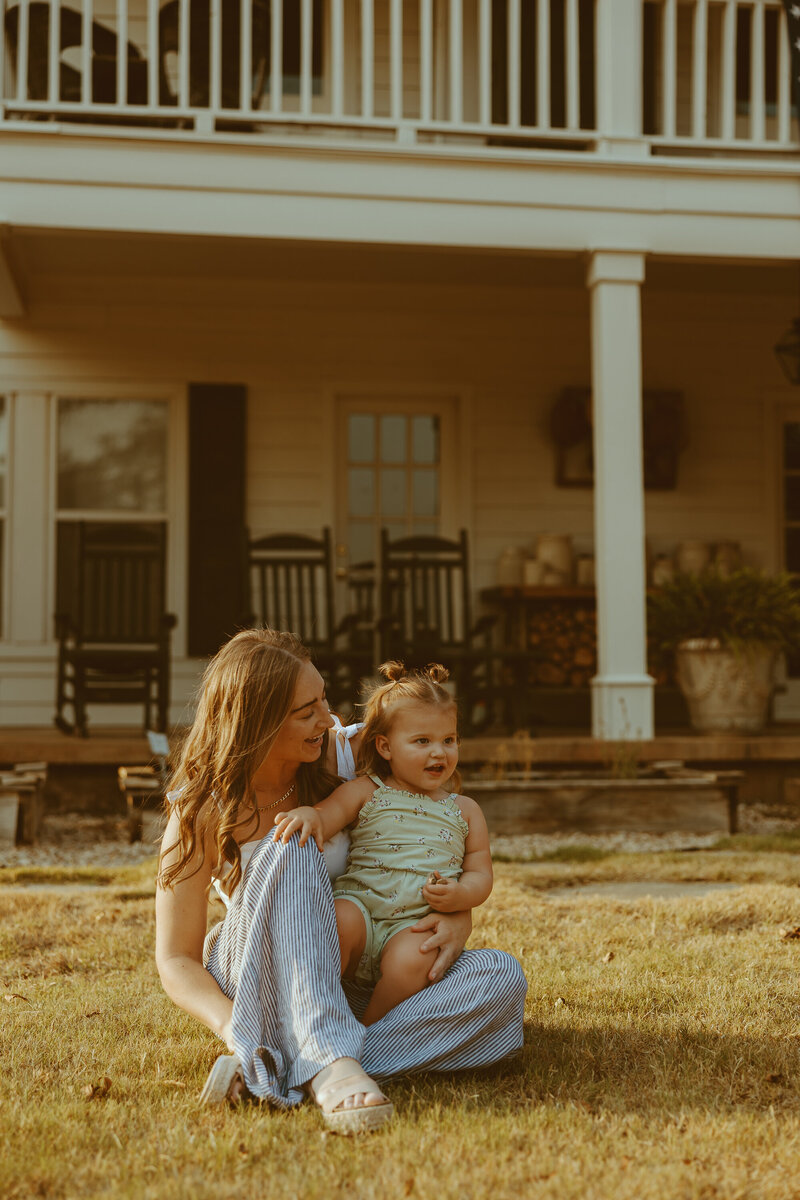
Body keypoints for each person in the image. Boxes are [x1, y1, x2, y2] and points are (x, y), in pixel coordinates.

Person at [155, 628, 526, 1135]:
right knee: (295, 848)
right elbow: (176, 959)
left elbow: (428, 840)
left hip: (357, 981)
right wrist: (235, 1031)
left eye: (323, 697)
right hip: (260, 970)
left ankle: (290, 1061)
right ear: (257, 721)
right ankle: (314, 1057)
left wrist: (457, 915)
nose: (326, 718)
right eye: (306, 711)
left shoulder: (354, 756)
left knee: (501, 977)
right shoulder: (200, 808)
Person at [274, 661, 493, 1026]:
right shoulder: (367, 790)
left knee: (417, 958)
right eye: (422, 741)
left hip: (414, 922)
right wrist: (312, 816)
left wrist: (461, 896)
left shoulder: (465, 811)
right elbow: (329, 815)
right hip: (360, 906)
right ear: (386, 747)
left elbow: (480, 871)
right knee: (336, 923)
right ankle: (319, 1013)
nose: (439, 752)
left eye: (448, 740)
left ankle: (370, 1031)